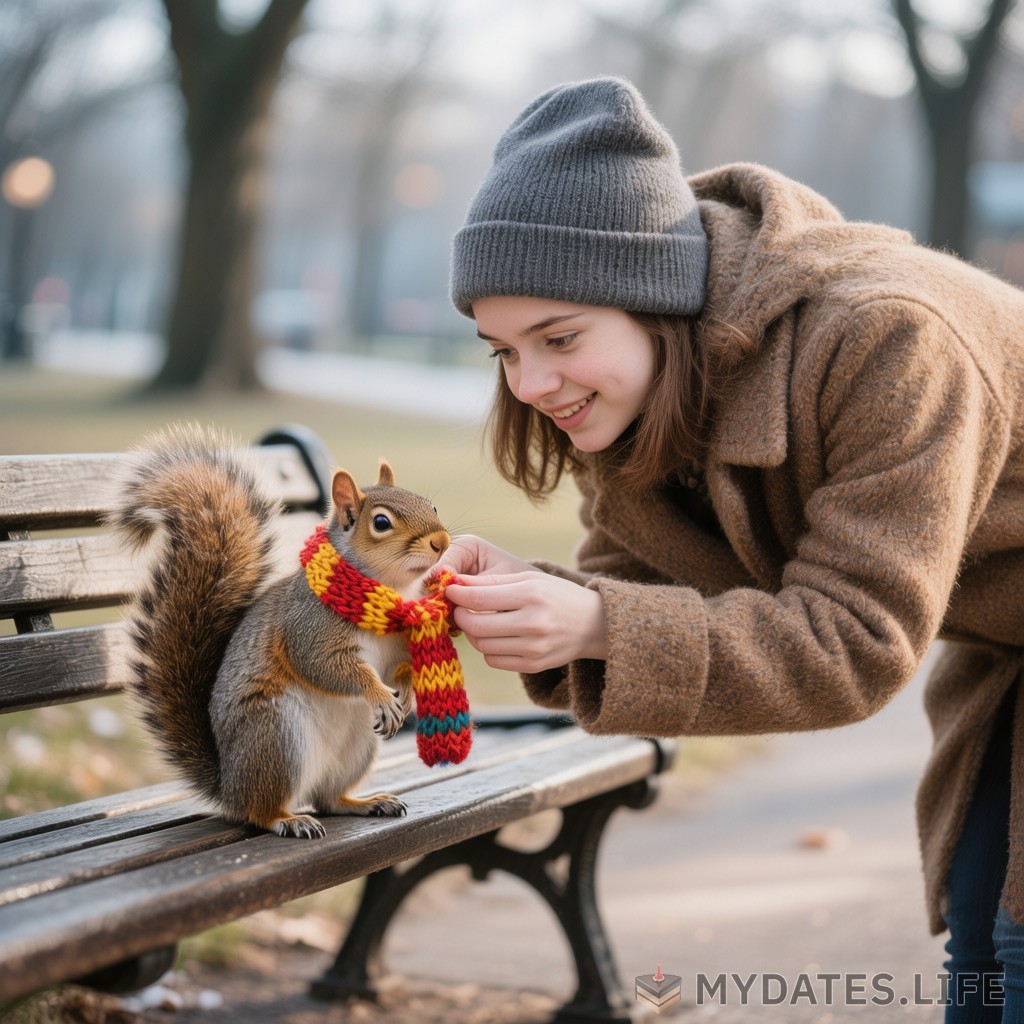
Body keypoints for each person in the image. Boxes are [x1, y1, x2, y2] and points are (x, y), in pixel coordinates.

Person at [436, 75, 1024, 1022]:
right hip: (1005, 651)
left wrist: (594, 622)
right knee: (982, 942)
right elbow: (629, 587)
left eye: (558, 338)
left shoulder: (890, 340)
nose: (532, 383)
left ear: (652, 299)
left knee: (1015, 955)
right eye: (502, 349)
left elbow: (855, 641)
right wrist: (529, 598)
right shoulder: (631, 391)